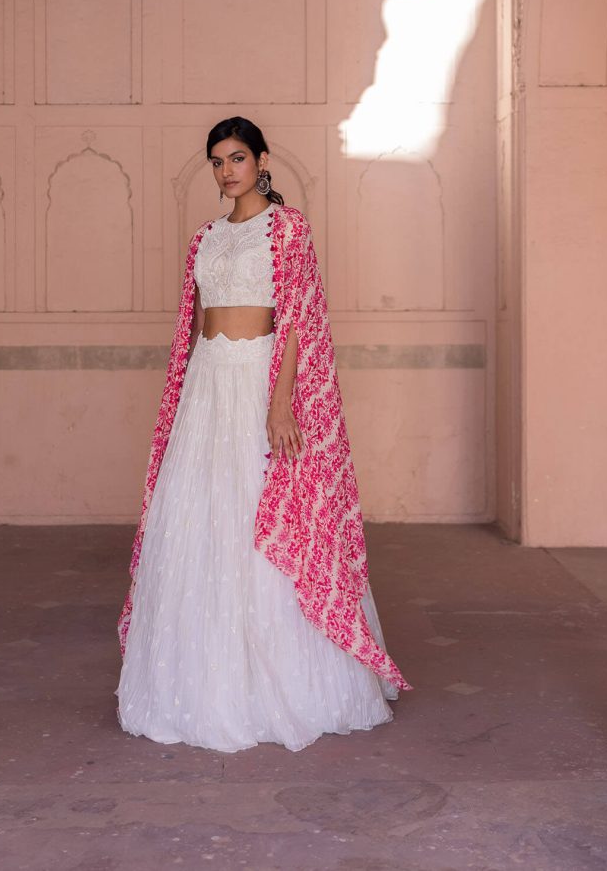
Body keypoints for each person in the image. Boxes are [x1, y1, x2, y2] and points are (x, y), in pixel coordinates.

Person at [115, 116, 411, 753]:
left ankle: (283, 683)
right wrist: (185, 402)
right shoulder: (204, 238)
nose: (226, 172)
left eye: (237, 159)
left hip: (257, 380)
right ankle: (202, 687)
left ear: (262, 161)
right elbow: (193, 326)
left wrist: (281, 406)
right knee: (201, 519)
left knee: (260, 517)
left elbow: (298, 319)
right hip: (206, 387)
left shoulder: (288, 228)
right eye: (217, 162)